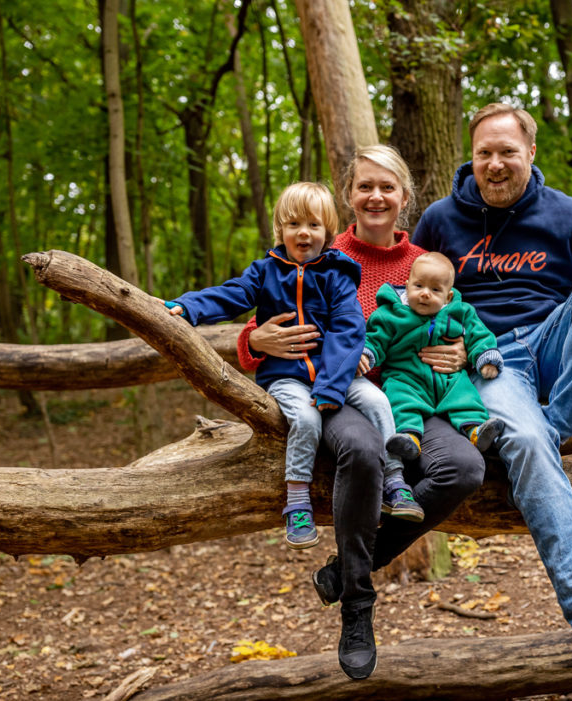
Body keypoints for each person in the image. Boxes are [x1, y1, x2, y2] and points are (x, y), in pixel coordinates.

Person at [412, 103, 572, 701]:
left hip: (557, 348)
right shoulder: (440, 220)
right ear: (470, 158)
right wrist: (431, 346)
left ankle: (551, 426)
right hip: (488, 361)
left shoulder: (567, 214)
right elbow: (407, 298)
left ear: (530, 154)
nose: (494, 164)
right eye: (483, 153)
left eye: (506, 151)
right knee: (524, 441)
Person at [236, 146, 485, 681]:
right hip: (340, 392)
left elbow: (456, 321)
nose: (376, 196)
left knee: (464, 468)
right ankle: (358, 607)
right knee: (363, 449)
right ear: (348, 195)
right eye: (364, 186)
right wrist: (253, 340)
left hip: (415, 397)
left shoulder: (423, 263)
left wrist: (461, 351)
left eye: (387, 187)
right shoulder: (317, 248)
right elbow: (264, 309)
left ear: (404, 198)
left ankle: (347, 570)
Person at [163, 182, 422, 556]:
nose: (304, 232)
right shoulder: (265, 272)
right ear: (279, 230)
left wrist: (332, 387)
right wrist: (187, 307)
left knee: (379, 401)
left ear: (328, 233)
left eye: (314, 225)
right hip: (285, 377)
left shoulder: (338, 274)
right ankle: (297, 502)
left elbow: (349, 331)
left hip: (338, 375)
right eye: (294, 224)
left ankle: (395, 479)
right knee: (305, 419)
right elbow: (228, 295)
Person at [361, 252, 504, 460]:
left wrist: (485, 356)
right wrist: (367, 354)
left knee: (465, 394)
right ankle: (409, 437)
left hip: (448, 377)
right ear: (407, 284)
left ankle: (476, 431)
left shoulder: (460, 312)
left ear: (449, 296)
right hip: (406, 377)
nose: (425, 293)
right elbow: (375, 338)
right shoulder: (391, 314)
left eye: (435, 289)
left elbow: (478, 334)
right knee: (400, 398)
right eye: (418, 286)